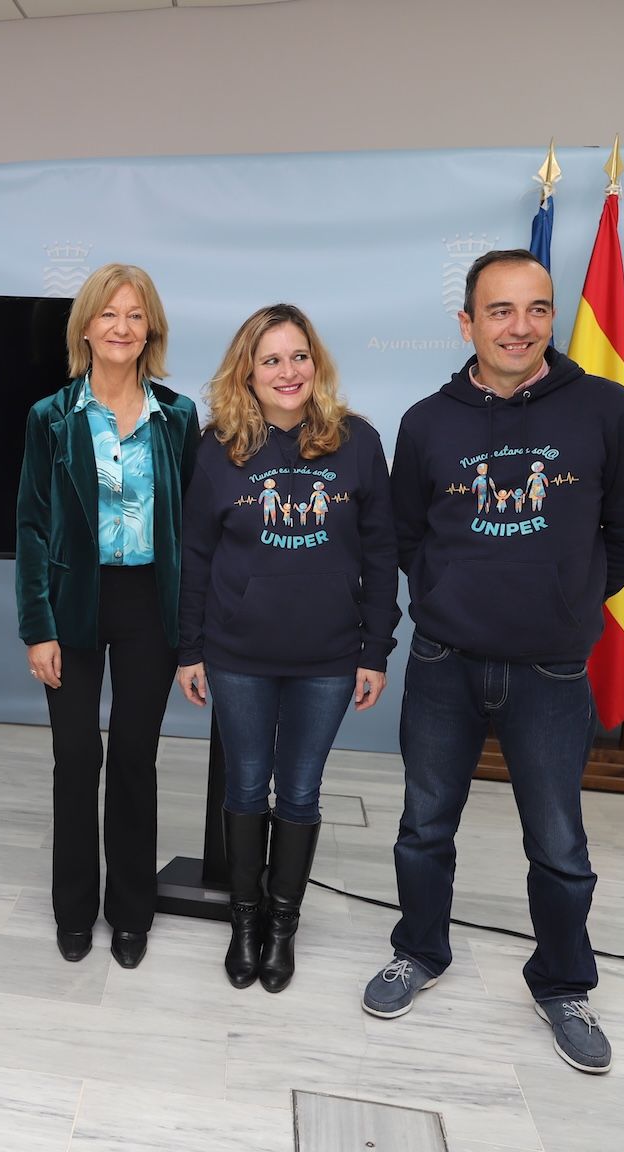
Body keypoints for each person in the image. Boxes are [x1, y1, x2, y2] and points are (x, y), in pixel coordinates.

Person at [360, 250, 624, 1075]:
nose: (520, 326)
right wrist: (448, 592)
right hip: (444, 660)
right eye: (500, 310)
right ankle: (419, 951)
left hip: (552, 671)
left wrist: (568, 598)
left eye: (536, 309)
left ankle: (563, 982)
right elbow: (406, 536)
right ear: (468, 322)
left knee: (559, 842)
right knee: (425, 826)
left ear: (551, 317)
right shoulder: (427, 421)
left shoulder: (605, 410)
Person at [174, 304, 399, 993]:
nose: (288, 371)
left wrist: (375, 649)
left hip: (329, 657)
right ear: (247, 371)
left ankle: (282, 923)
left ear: (316, 363)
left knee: (300, 790)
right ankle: (244, 923)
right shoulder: (216, 449)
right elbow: (196, 556)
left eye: (299, 356)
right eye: (271, 359)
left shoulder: (357, 442)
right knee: (245, 785)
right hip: (238, 653)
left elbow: (382, 552)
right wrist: (191, 649)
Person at [16, 263, 200, 970]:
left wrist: (195, 630)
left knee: (133, 758)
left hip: (150, 603)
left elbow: (190, 531)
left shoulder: (178, 417)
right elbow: (32, 527)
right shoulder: (50, 417)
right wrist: (38, 627)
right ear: (86, 327)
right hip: (73, 605)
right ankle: (73, 910)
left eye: (135, 314)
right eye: (109, 314)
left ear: (148, 328)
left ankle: (131, 912)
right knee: (75, 758)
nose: (122, 327)